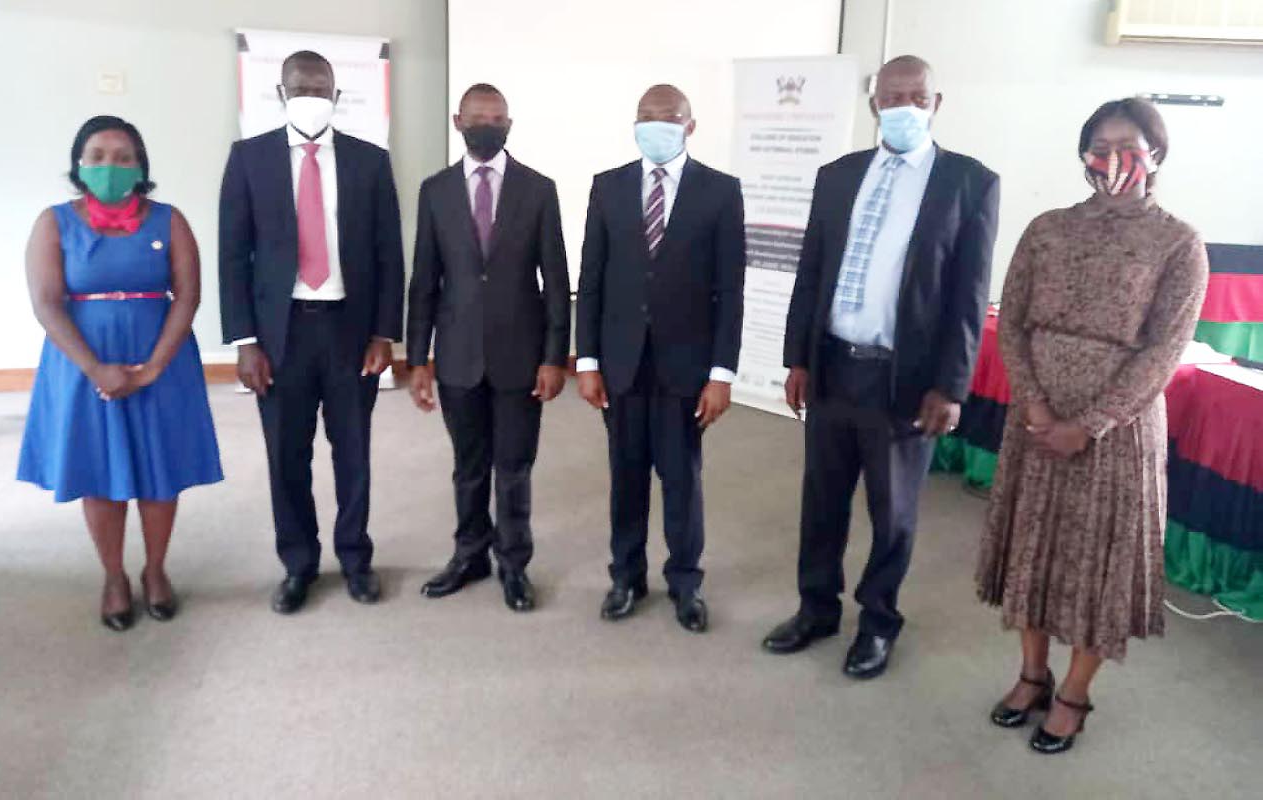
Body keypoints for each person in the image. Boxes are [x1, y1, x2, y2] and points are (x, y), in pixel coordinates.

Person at [976, 98, 1208, 754]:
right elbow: (1012, 320)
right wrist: (1037, 405)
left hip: (1117, 434)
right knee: (1034, 549)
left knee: (1096, 564)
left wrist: (1093, 422)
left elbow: (1165, 350)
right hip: (1038, 418)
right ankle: (1031, 675)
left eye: (1129, 145)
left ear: (1156, 155)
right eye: (1099, 145)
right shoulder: (1047, 228)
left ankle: (1074, 693)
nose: (1112, 159)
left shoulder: (1178, 243)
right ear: (1082, 156)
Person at [764, 55, 999, 678]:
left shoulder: (969, 183)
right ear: (874, 106)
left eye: (916, 95)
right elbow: (810, 272)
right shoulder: (838, 176)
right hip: (835, 366)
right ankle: (816, 608)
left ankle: (877, 623)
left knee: (892, 513)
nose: (903, 106)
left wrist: (950, 385)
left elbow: (969, 298)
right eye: (891, 96)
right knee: (822, 501)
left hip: (905, 381)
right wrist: (797, 358)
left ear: (936, 102)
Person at [18, 115, 223, 632]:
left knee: (160, 474)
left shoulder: (169, 220)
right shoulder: (53, 222)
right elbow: (46, 303)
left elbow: (188, 295)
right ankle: (113, 576)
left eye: (124, 157)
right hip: (83, 364)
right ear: (79, 164)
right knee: (100, 474)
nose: (111, 166)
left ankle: (155, 570)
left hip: (162, 361)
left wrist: (154, 366)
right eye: (99, 156)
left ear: (141, 167)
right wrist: (95, 368)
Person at [219, 51, 404, 614]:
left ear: (336, 97)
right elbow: (233, 255)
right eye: (300, 86)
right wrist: (245, 340)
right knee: (286, 456)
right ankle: (298, 563)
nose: (311, 95)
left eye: (320, 87)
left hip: (349, 331)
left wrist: (383, 333)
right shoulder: (249, 159)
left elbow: (389, 254)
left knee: (353, 452)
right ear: (280, 93)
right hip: (282, 336)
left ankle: (355, 558)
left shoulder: (370, 162)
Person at [575, 84, 745, 633]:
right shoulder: (608, 187)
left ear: (690, 126)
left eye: (668, 117)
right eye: (645, 116)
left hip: (685, 368)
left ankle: (685, 583)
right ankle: (625, 578)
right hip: (622, 364)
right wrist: (588, 361)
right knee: (625, 479)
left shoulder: (720, 191)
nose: (656, 125)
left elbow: (730, 290)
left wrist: (721, 374)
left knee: (681, 481)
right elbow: (592, 281)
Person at [406, 84, 570, 612]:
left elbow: (556, 278)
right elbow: (424, 281)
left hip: (521, 357)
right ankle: (469, 554)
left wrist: (553, 357)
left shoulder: (539, 189)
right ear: (459, 121)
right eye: (478, 117)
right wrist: (417, 360)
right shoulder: (435, 191)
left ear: (509, 124)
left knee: (514, 466)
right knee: (469, 465)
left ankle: (514, 564)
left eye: (497, 117)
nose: (488, 124)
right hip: (455, 356)